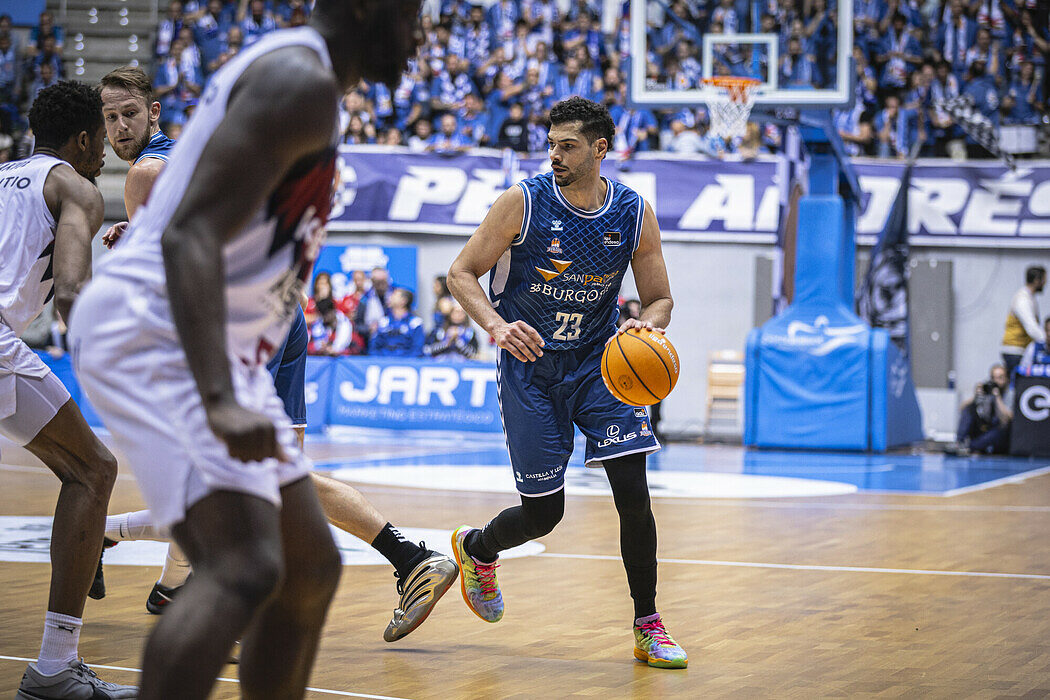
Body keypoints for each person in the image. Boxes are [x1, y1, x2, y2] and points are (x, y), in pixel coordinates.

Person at [67, 3, 430, 697]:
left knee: (308, 568)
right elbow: (188, 236)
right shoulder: (296, 79)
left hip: (209, 337)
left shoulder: (309, 83)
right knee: (242, 568)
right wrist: (219, 396)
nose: (419, 32)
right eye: (410, 13)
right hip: (157, 329)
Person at [446, 96, 686, 669]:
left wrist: (642, 326)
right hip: (532, 370)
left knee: (634, 495)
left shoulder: (632, 212)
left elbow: (660, 299)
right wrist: (498, 326)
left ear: (600, 148)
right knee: (543, 515)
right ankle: (477, 549)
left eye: (568, 145)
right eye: (551, 144)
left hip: (602, 367)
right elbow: (460, 273)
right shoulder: (522, 202)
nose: (555, 154)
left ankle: (648, 625)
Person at [1, 82, 135, 699]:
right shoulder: (75, 187)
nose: (104, 153)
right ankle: (55, 665)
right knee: (94, 471)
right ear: (82, 139)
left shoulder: (4, 176)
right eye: (99, 140)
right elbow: (75, 294)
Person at [951, 364, 1013, 455]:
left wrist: (997, 397)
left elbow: (1007, 418)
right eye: (993, 378)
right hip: (985, 427)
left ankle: (970, 446)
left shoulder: (1010, 394)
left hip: (1000, 431)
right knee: (969, 410)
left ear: (1006, 379)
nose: (996, 381)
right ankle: (959, 442)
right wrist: (976, 397)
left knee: (999, 430)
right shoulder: (987, 391)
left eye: (1000, 378)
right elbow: (962, 409)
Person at [1001, 265, 1046, 378]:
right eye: (1044, 280)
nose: (1045, 283)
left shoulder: (1030, 298)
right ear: (1037, 280)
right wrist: (1047, 341)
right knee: (1019, 384)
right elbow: (1031, 328)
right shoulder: (1023, 299)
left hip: (1021, 350)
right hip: (1015, 350)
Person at [368, 287, 425, 356]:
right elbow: (374, 347)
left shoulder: (415, 323)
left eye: (394, 295)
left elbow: (417, 349)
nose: (390, 297)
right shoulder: (383, 322)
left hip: (407, 363)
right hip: (383, 362)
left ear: (403, 301)